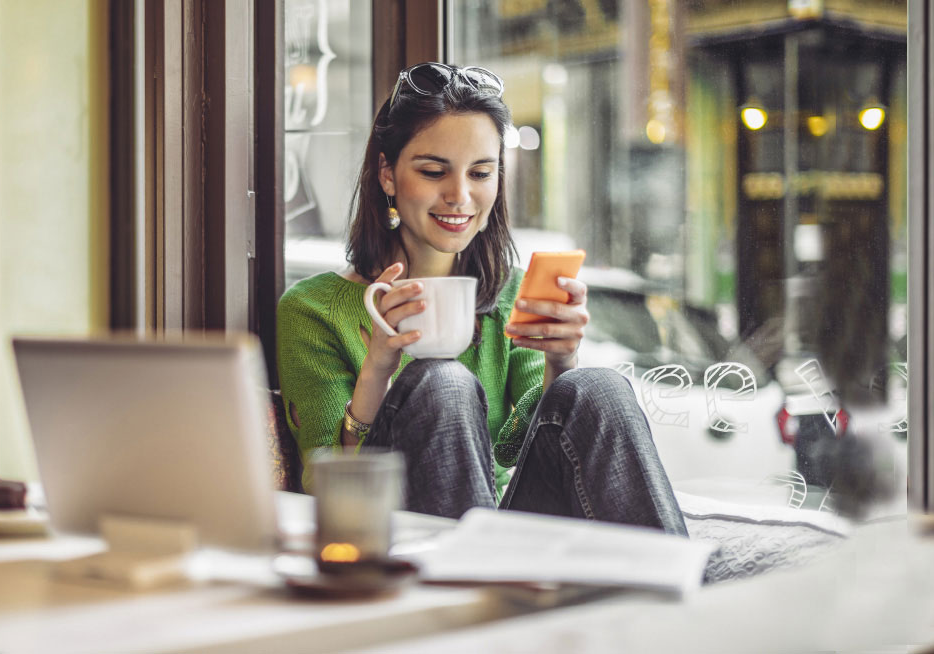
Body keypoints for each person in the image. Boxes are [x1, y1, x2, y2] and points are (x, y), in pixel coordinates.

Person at [276, 62, 687, 535]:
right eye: (434, 171)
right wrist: (377, 371)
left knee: (599, 385)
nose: (460, 196)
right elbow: (328, 487)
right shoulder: (312, 309)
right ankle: (468, 591)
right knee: (443, 381)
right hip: (399, 534)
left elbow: (515, 446)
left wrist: (561, 361)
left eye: (481, 173)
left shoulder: (509, 291)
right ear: (387, 174)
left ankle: (683, 598)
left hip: (503, 530)